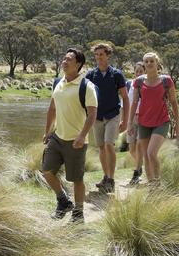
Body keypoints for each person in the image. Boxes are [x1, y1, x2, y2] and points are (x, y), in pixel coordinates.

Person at [42, 48, 98, 222]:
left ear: (78, 64)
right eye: (64, 59)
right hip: (57, 137)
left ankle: (78, 212)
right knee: (46, 171)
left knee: (77, 179)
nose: (64, 62)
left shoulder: (86, 87)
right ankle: (63, 200)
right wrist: (47, 131)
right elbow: (52, 109)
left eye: (69, 60)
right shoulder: (58, 82)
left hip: (76, 141)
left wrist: (82, 136)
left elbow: (92, 114)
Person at [128, 52, 179, 184]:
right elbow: (134, 103)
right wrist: (129, 123)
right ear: (144, 64)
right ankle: (152, 185)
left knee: (151, 153)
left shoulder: (166, 81)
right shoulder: (138, 82)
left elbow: (174, 102)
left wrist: (177, 124)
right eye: (147, 61)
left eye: (152, 61)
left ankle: (157, 182)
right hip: (143, 123)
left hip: (161, 121)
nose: (149, 63)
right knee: (145, 155)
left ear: (157, 63)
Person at [85, 43, 129, 193]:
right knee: (102, 147)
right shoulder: (91, 75)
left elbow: (125, 97)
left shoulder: (117, 74)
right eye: (96, 55)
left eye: (101, 54)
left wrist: (126, 120)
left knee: (109, 144)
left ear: (108, 55)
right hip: (97, 117)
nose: (98, 57)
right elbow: (84, 96)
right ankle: (106, 177)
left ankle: (111, 178)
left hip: (113, 115)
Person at [126, 61, 145, 185]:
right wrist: (126, 120)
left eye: (141, 71)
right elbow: (127, 102)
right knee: (132, 148)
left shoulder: (147, 84)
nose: (138, 73)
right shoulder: (130, 84)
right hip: (131, 118)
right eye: (136, 71)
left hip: (143, 118)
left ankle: (136, 173)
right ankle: (140, 164)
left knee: (139, 146)